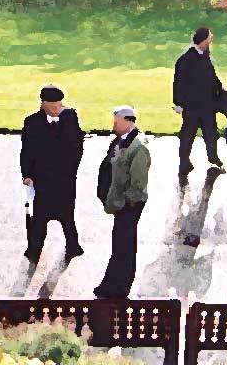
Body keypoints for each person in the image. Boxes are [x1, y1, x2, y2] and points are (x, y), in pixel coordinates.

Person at [20, 85, 84, 264]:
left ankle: (73, 246)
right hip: (42, 180)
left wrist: (71, 170)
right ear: (43, 104)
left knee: (67, 216)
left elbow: (77, 147)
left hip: (65, 179)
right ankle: (34, 250)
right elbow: (26, 150)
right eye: (53, 106)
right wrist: (27, 174)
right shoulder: (32, 122)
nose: (57, 109)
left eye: (59, 105)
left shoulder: (70, 118)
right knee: (39, 218)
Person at [94, 105, 151, 298]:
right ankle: (112, 283)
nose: (114, 125)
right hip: (121, 203)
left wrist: (122, 203)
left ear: (127, 121)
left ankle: (118, 286)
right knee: (120, 244)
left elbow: (138, 184)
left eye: (116, 122)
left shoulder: (138, 147)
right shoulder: (123, 141)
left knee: (124, 245)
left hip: (128, 206)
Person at [173, 27, 225, 175]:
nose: (212, 38)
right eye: (209, 36)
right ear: (203, 39)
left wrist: (220, 87)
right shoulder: (186, 59)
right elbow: (179, 83)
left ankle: (213, 157)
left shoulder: (205, 56)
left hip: (207, 104)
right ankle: (184, 161)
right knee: (188, 134)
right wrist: (178, 103)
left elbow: (212, 76)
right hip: (192, 105)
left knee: (211, 132)